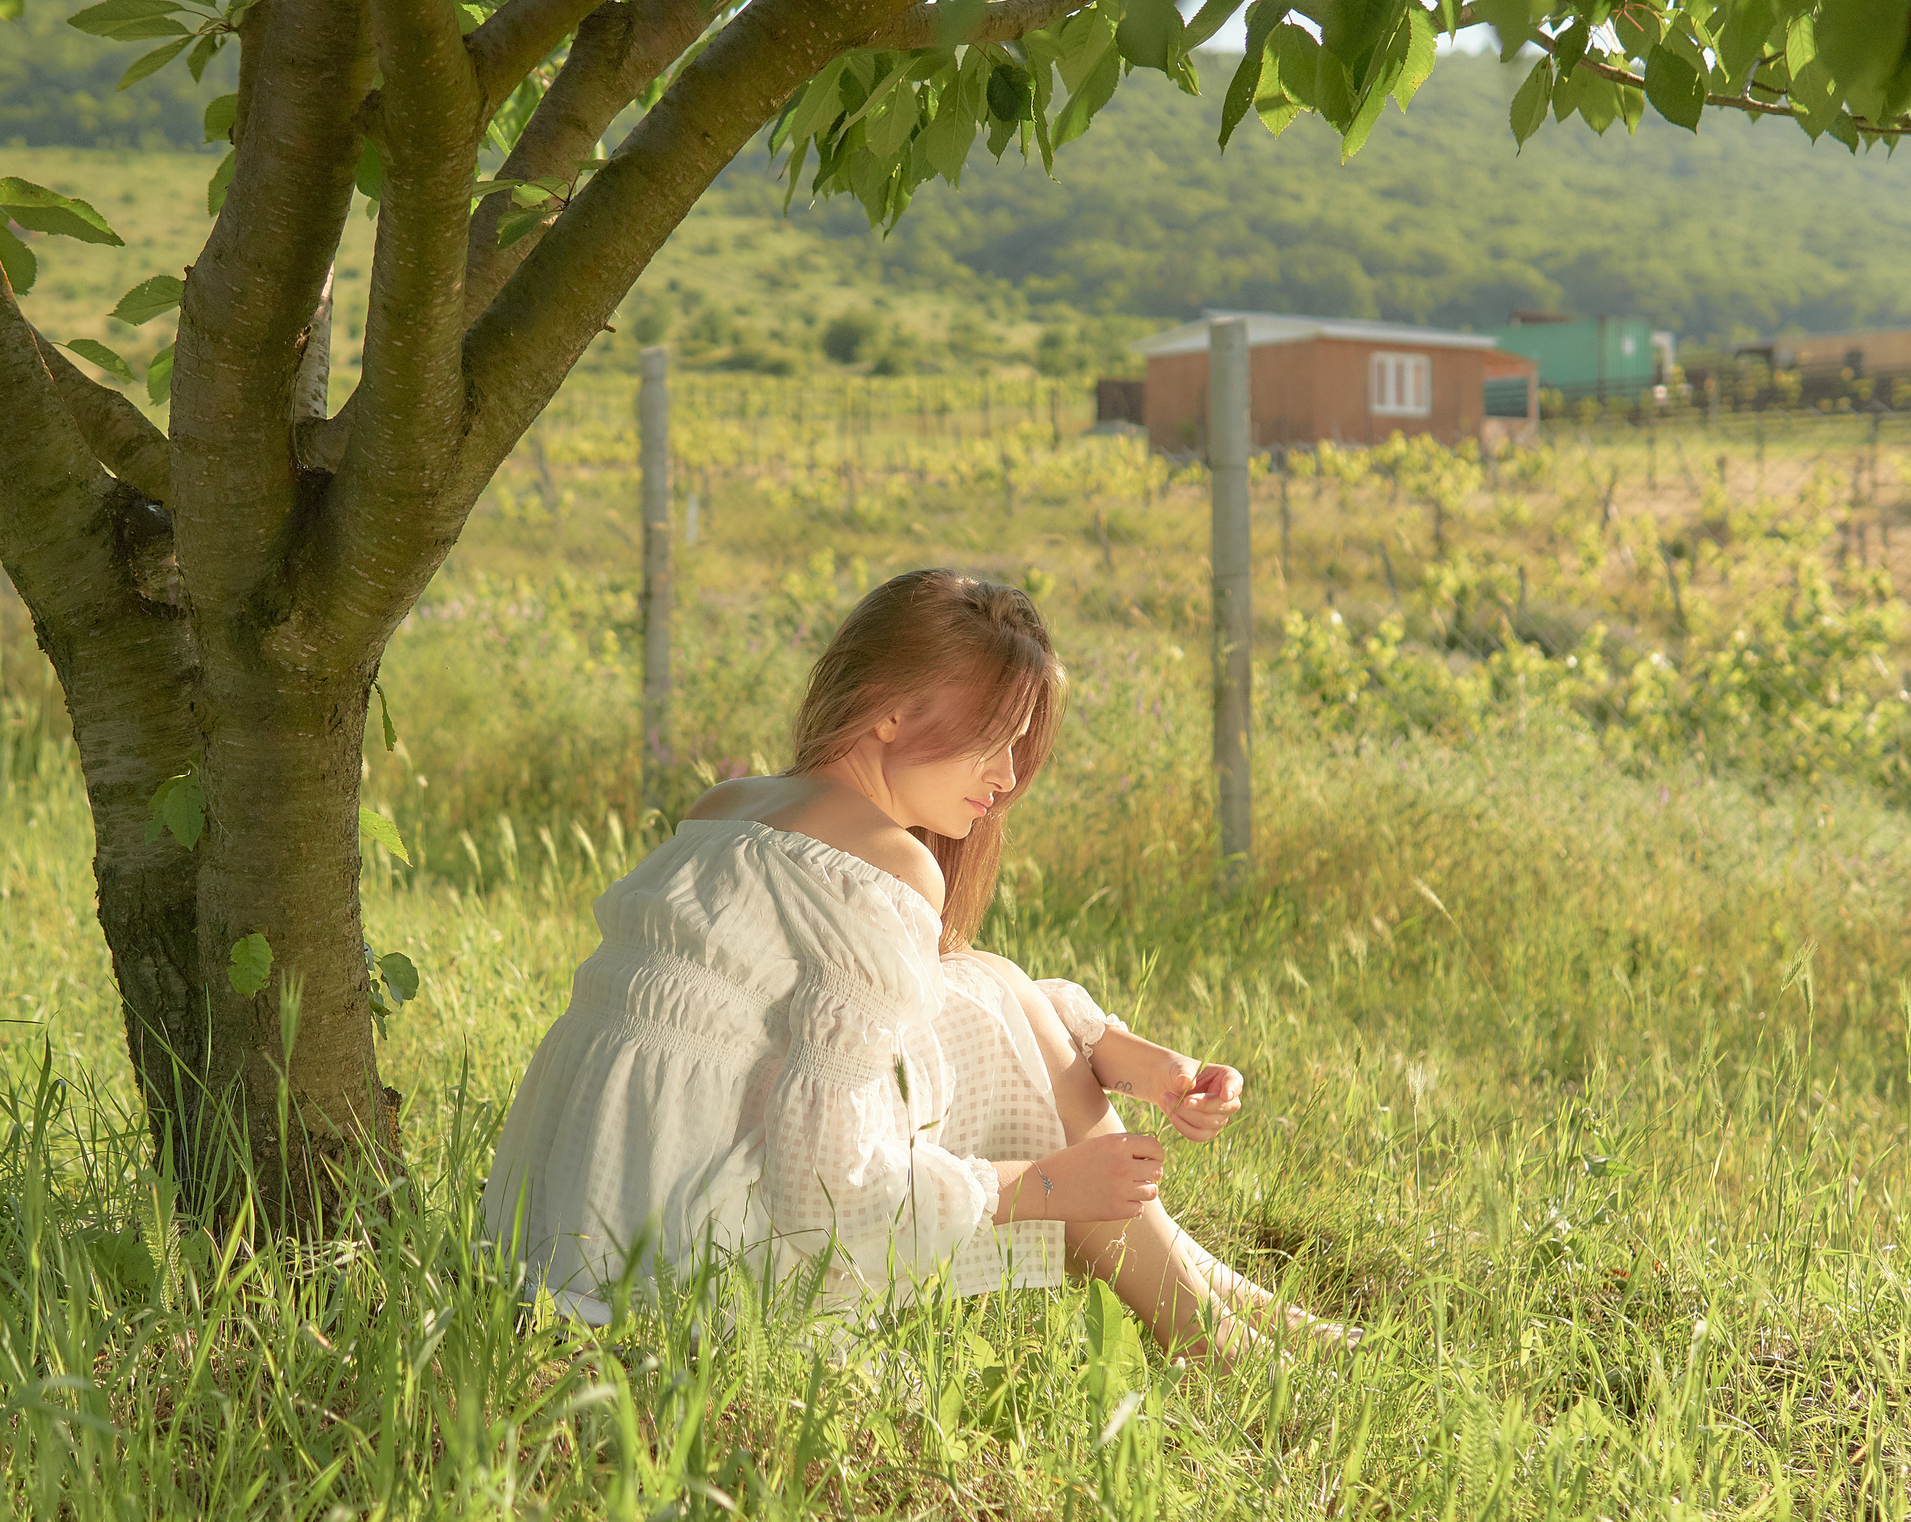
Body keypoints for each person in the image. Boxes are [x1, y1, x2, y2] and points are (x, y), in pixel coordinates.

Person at [483, 568, 1348, 1358]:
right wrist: (1046, 1183)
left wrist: (1110, 1050)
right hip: (688, 1269)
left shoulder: (730, 808)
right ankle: (1206, 1332)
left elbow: (948, 990)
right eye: (992, 742)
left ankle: (1224, 1299)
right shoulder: (886, 861)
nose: (1007, 778)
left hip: (565, 1230)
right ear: (889, 712)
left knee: (994, 990)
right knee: (993, 1012)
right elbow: (826, 1180)